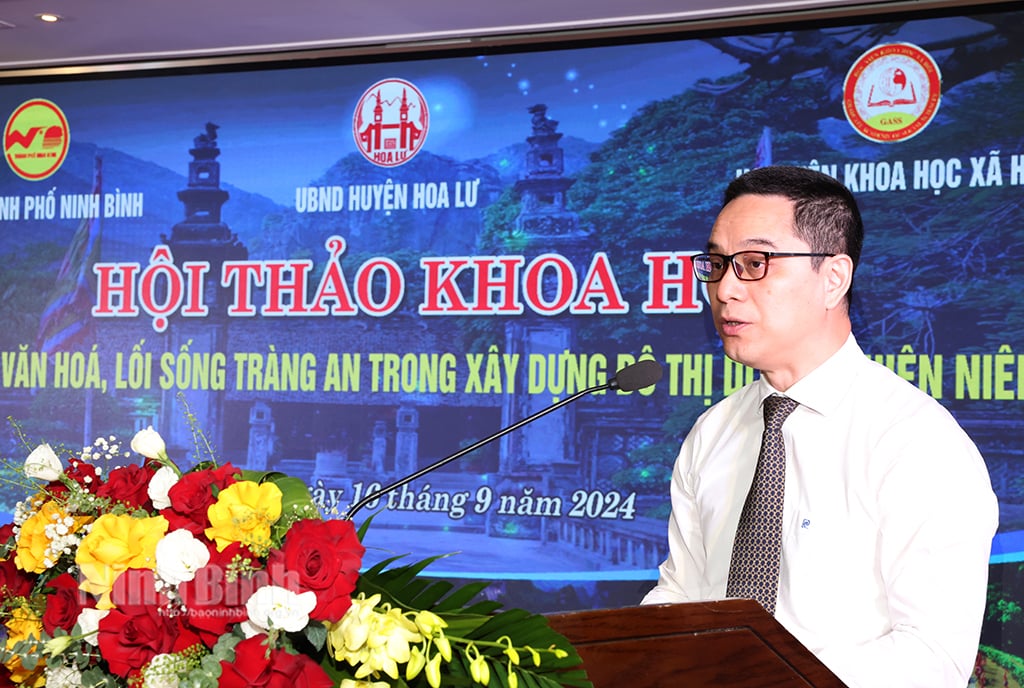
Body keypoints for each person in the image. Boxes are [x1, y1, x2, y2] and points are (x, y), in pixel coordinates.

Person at [642, 165, 998, 687]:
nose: (725, 289)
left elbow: (932, 657)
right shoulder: (712, 433)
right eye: (716, 263)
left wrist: (762, 680)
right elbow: (683, 598)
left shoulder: (916, 441)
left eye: (755, 263)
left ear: (833, 278)